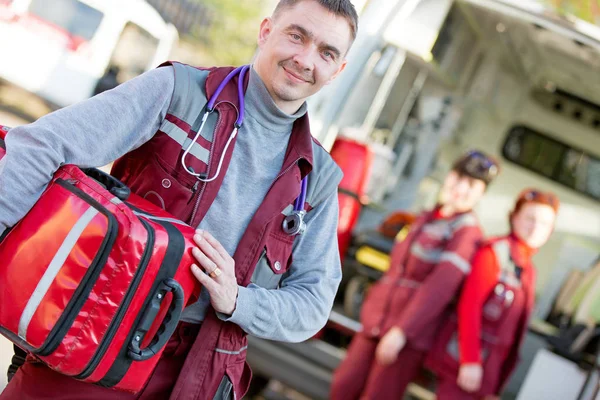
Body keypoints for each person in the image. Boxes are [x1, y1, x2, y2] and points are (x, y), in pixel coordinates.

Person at [0, 0, 359, 399]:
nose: (305, 59)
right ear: (265, 31)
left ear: (337, 71)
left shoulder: (319, 179)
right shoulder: (179, 93)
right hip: (98, 337)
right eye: (297, 35)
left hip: (200, 373)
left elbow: (312, 304)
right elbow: (41, 145)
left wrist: (239, 301)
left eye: (326, 52)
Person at [331, 150, 500, 399]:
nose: (460, 187)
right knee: (343, 387)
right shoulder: (426, 217)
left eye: (471, 184)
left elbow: (439, 290)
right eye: (458, 176)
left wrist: (402, 332)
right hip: (377, 323)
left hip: (406, 338)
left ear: (481, 193)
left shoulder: (467, 233)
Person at [426, 189, 560, 399]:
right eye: (529, 218)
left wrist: (494, 383)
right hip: (464, 367)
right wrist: (470, 360)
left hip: (487, 374)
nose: (535, 228)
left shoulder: (527, 269)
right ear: (514, 218)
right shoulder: (494, 252)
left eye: (544, 224)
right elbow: (469, 306)